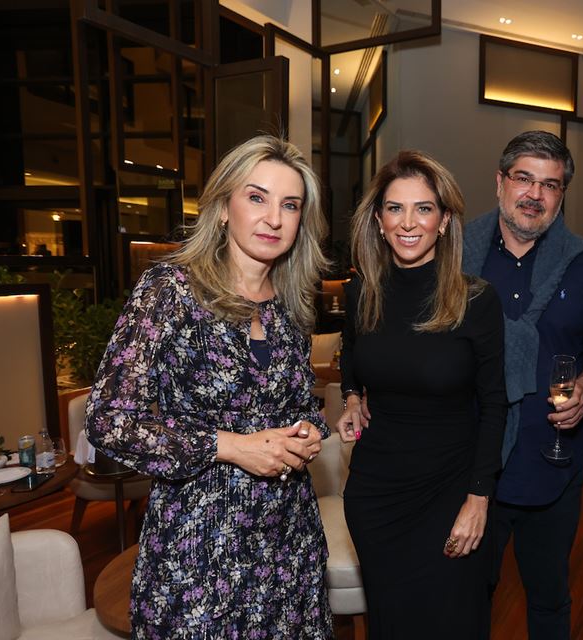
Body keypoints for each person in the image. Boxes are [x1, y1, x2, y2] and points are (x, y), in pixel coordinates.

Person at [86, 135, 333, 639]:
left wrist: (309, 429)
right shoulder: (171, 290)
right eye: (257, 197)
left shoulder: (289, 305)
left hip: (288, 545)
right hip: (200, 547)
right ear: (223, 207)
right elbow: (108, 420)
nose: (274, 218)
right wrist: (228, 446)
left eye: (290, 205)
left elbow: (297, 403)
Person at [337, 150, 506, 638]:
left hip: (451, 490)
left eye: (424, 208)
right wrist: (351, 395)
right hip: (377, 495)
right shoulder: (361, 292)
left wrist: (479, 499)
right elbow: (352, 352)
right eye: (395, 208)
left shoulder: (476, 299)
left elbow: (495, 405)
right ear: (378, 219)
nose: (408, 223)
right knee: (392, 625)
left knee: (454, 621)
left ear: (446, 220)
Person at [462, 130, 583, 639]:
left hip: (552, 463)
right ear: (499, 182)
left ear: (561, 195)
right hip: (467, 469)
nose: (535, 194)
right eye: (524, 179)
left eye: (550, 185)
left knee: (550, 599)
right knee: (465, 599)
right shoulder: (454, 253)